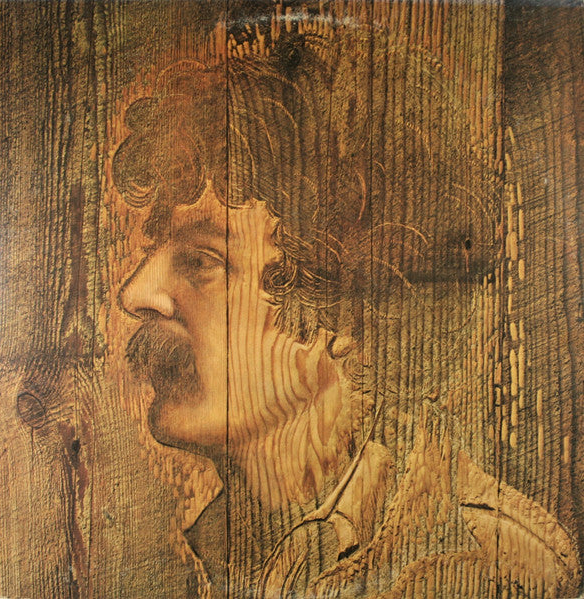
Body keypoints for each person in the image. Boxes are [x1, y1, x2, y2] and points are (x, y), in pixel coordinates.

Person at [110, 8, 581, 598]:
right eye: (153, 250)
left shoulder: (496, 565)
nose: (135, 293)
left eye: (203, 262)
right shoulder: (203, 552)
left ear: (346, 311)